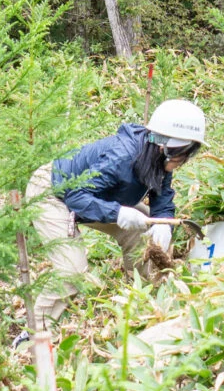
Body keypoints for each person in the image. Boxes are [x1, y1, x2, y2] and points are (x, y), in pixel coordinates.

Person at [25, 99, 208, 330]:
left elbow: (162, 196)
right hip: (55, 192)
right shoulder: (122, 156)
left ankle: (144, 302)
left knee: (143, 232)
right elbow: (76, 196)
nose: (184, 162)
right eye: (184, 155)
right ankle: (35, 335)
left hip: (96, 194)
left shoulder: (157, 158)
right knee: (71, 271)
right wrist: (118, 213)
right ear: (167, 148)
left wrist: (164, 223)